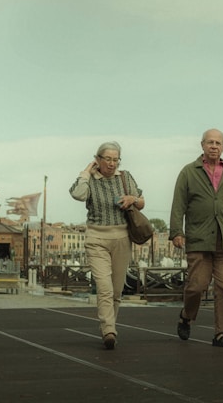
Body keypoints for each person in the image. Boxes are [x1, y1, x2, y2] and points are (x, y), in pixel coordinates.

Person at [169, 129, 223, 348]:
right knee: (197, 286)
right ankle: (186, 315)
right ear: (202, 145)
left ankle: (221, 333)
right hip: (198, 239)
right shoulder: (188, 172)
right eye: (210, 142)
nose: (214, 146)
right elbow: (178, 205)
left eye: (218, 143)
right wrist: (176, 231)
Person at [69, 141, 144, 350]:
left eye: (115, 159)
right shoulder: (90, 180)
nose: (112, 164)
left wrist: (133, 199)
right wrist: (86, 171)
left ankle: (111, 324)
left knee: (117, 291)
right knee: (104, 287)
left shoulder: (125, 177)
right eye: (107, 159)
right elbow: (77, 194)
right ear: (98, 160)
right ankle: (108, 329)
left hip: (121, 238)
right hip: (96, 239)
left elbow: (142, 201)